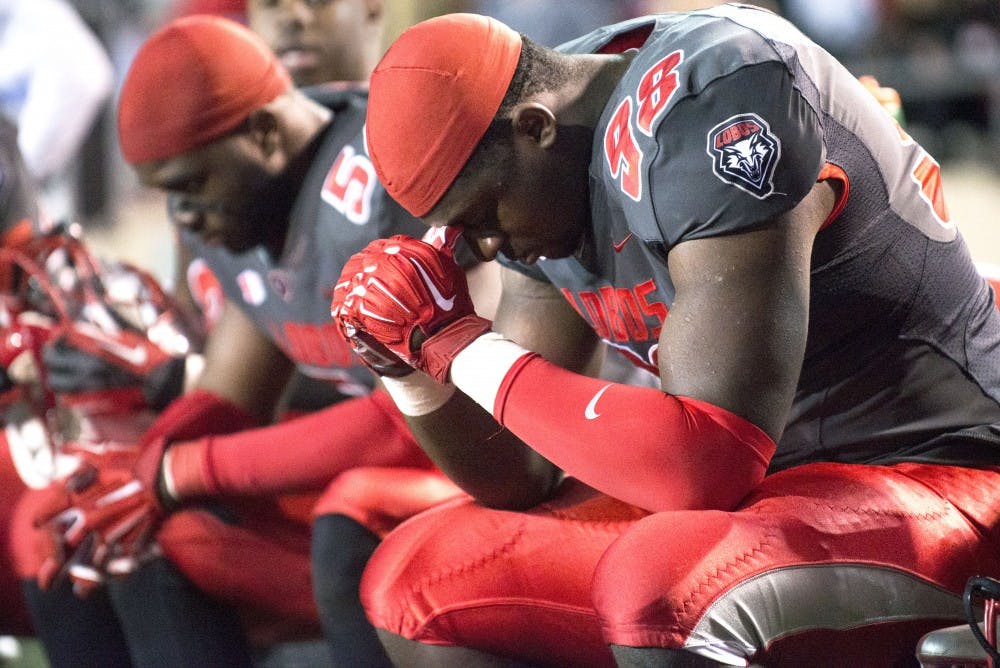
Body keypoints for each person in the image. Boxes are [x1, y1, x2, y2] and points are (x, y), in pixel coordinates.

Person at [332, 6, 1000, 667]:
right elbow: (522, 472)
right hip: (772, 494)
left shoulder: (710, 92)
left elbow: (708, 458)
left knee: (667, 587)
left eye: (482, 214)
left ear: (534, 128)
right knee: (419, 576)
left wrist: (464, 345)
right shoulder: (544, 151)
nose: (486, 244)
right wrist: (414, 367)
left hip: (928, 464)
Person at [23, 14, 486, 668]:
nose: (183, 218)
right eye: (167, 198)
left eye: (190, 188)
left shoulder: (382, 172)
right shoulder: (255, 200)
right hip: (386, 474)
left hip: (490, 464)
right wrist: (132, 473)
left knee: (347, 522)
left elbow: (422, 410)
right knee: (111, 529)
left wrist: (176, 469)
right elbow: (229, 395)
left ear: (265, 133)